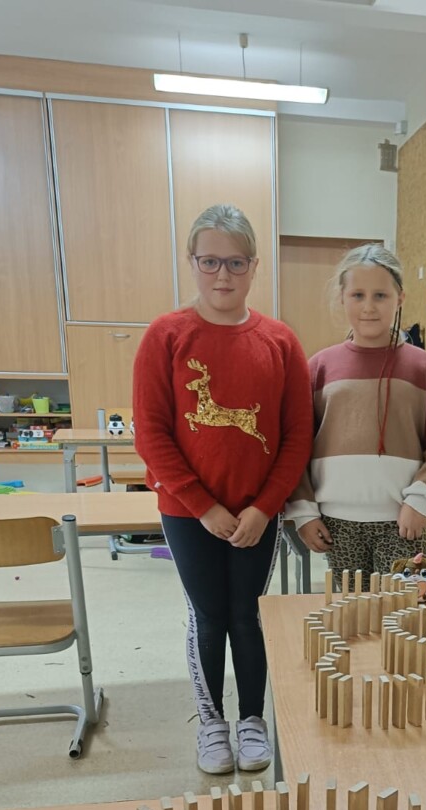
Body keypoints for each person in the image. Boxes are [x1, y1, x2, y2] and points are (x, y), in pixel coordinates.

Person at [133, 204, 312, 776]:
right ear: (192, 262)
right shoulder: (165, 336)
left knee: (246, 615)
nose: (223, 275)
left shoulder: (281, 342)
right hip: (189, 515)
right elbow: (151, 433)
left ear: (254, 265)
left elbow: (297, 436)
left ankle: (251, 720)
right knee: (208, 616)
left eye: (236, 262)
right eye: (209, 261)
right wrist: (202, 505)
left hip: (258, 515)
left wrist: (265, 507)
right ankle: (212, 722)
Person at [286, 244, 426, 591]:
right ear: (342, 297)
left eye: (380, 295)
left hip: (403, 521)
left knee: (404, 609)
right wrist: (304, 512)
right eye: (358, 295)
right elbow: (295, 445)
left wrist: (420, 500)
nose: (369, 306)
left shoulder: (424, 367)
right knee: (356, 611)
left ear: (400, 298)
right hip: (337, 523)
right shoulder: (319, 367)